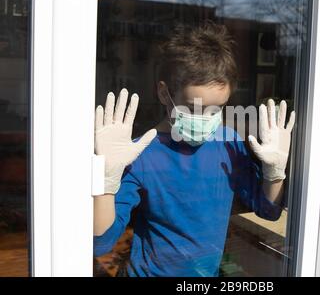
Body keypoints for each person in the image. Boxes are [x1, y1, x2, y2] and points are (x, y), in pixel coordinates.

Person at [93, 23, 295, 277]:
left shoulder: (228, 144)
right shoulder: (138, 154)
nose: (205, 119)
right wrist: (106, 180)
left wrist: (274, 172)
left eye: (216, 109)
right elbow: (100, 243)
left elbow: (269, 210)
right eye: (193, 107)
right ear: (164, 93)